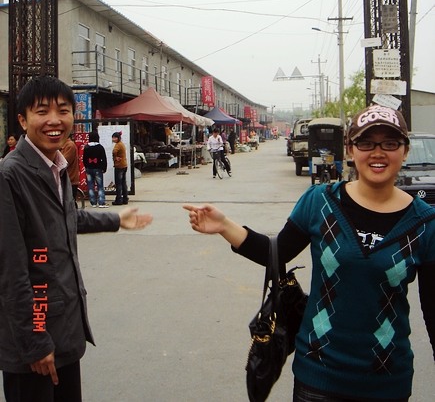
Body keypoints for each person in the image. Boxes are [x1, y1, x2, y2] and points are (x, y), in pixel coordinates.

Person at [184, 105, 435, 402]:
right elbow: (276, 253)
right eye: (366, 143)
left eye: (390, 143)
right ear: (350, 149)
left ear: (405, 151)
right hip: (318, 377)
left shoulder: (424, 223)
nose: (377, 153)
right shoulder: (319, 203)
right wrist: (225, 226)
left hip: (388, 383)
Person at [0, 76, 153, 402]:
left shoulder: (56, 164)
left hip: (65, 331)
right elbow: (10, 271)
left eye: (63, 110)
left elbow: (67, 218)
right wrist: (35, 341)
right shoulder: (10, 175)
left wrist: (116, 219)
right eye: (42, 111)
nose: (55, 120)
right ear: (23, 120)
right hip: (34, 343)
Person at [82, 131, 108, 208]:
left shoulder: (86, 147)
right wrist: (104, 168)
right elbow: (104, 158)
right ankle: (101, 202)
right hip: (98, 168)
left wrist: (86, 166)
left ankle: (93, 202)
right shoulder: (100, 147)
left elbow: (84, 159)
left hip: (89, 168)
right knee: (100, 186)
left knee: (90, 186)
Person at [60, 134, 80, 201]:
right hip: (65, 179)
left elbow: (63, 162)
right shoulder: (62, 145)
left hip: (70, 179)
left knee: (69, 202)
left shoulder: (69, 145)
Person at [112, 131, 128, 205]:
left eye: (115, 137)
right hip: (124, 165)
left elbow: (114, 151)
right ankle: (125, 198)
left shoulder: (118, 145)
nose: (113, 139)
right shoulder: (121, 144)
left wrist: (115, 157)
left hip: (119, 166)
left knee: (118, 183)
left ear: (118, 138)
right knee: (123, 183)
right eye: (113, 137)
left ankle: (118, 199)